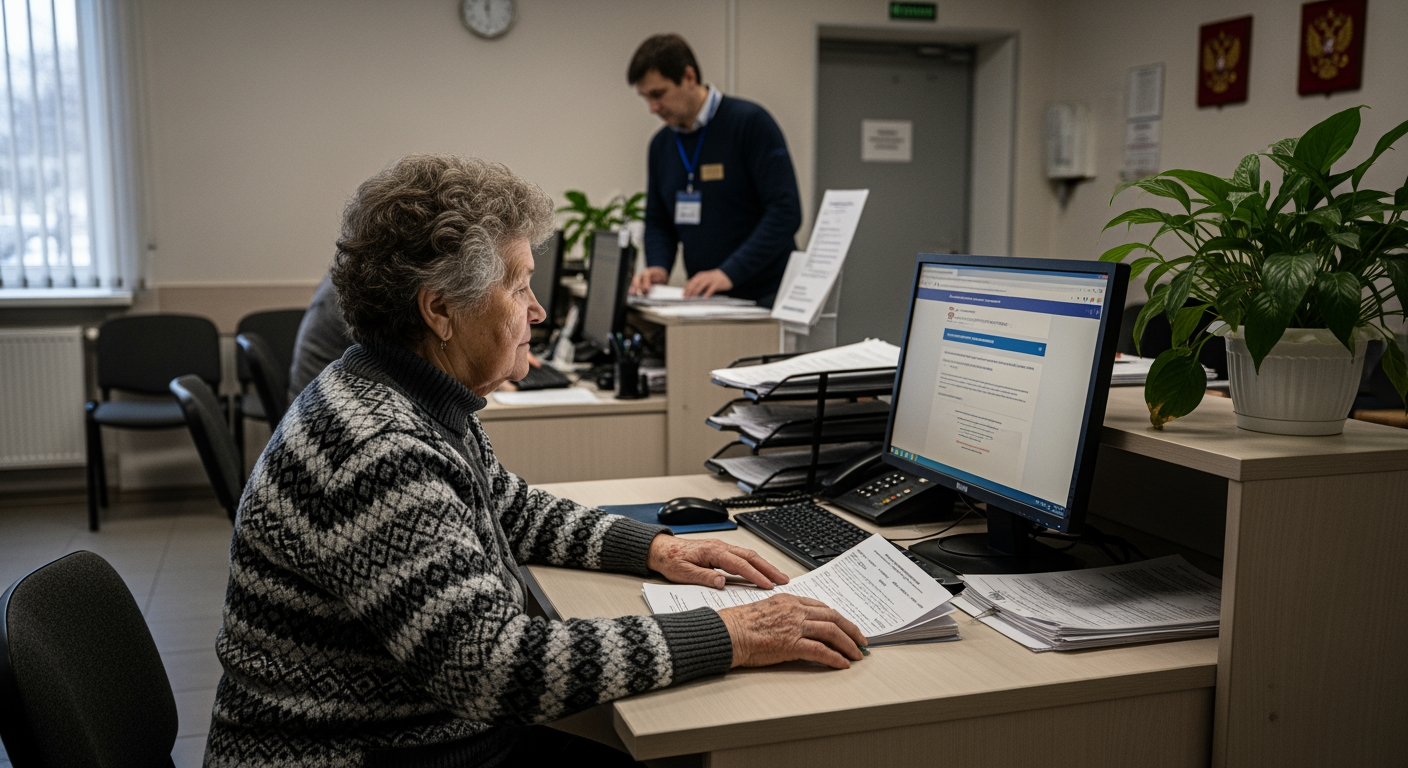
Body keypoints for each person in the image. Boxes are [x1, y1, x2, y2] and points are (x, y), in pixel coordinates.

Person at [204, 155, 866, 767]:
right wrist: (733, 634)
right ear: (440, 310)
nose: (539, 311)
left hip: (408, 734)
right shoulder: (380, 449)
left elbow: (508, 507)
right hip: (354, 755)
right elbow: (494, 668)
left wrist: (656, 548)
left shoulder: (408, 395)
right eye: (519, 288)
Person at [627, 34, 802, 307]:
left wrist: (729, 272)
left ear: (689, 77)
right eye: (645, 97)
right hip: (708, 301)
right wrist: (658, 266)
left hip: (768, 297)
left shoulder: (749, 123)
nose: (652, 108)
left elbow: (785, 211)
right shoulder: (661, 145)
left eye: (658, 94)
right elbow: (659, 221)